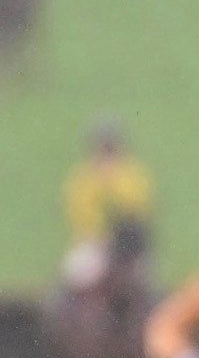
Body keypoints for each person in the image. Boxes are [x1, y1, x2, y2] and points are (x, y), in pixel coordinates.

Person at [60, 117, 154, 291]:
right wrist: (97, 236)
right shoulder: (83, 178)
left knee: (144, 281)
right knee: (76, 272)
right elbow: (78, 212)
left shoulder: (132, 174)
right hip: (94, 242)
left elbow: (140, 209)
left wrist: (111, 185)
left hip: (127, 245)